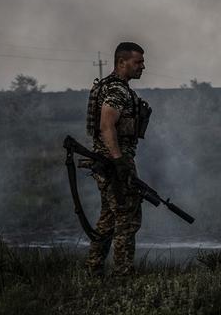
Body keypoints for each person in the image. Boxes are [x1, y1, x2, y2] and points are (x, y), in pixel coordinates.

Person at [84, 42, 150, 277]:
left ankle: (93, 269)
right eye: (138, 62)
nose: (143, 66)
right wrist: (119, 160)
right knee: (127, 217)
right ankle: (123, 273)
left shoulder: (111, 87)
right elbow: (106, 125)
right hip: (114, 162)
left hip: (109, 162)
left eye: (142, 62)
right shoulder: (117, 91)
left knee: (109, 217)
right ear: (122, 62)